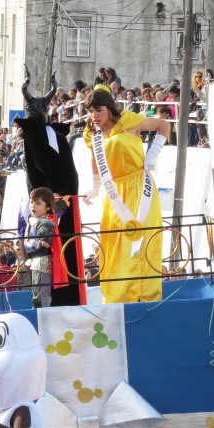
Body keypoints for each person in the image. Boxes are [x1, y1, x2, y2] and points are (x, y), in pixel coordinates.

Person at [83, 88, 169, 304]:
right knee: (115, 243)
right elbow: (95, 159)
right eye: (91, 111)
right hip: (114, 193)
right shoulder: (91, 132)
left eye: (98, 110)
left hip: (140, 187)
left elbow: (164, 126)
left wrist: (153, 152)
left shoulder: (129, 121)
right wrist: (94, 186)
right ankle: (118, 296)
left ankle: (146, 295)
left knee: (144, 236)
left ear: (109, 108)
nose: (94, 115)